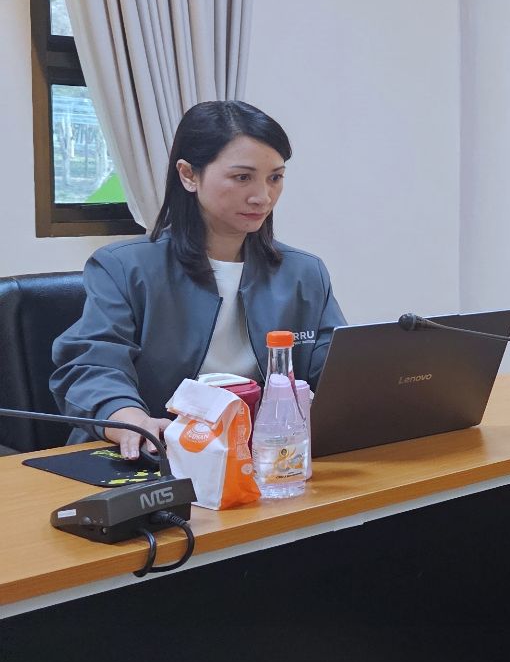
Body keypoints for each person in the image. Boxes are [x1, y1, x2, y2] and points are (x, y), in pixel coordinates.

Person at [51, 101, 346, 458]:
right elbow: (92, 365)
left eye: (275, 177)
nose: (262, 196)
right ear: (189, 175)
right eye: (242, 177)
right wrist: (129, 418)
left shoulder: (304, 273)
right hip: (154, 454)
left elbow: (338, 372)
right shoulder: (124, 267)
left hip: (267, 457)